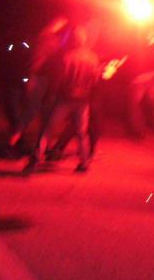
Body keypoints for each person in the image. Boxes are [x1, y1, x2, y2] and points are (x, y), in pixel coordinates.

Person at [25, 25, 100, 174]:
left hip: (65, 98)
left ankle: (36, 158)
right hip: (83, 100)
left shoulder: (67, 57)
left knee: (47, 129)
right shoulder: (93, 57)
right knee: (81, 132)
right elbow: (95, 79)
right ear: (84, 41)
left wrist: (52, 95)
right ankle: (84, 163)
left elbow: (60, 79)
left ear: (74, 41)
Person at [7, 16, 70, 153]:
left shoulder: (43, 37)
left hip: (40, 79)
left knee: (40, 114)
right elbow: (50, 57)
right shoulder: (48, 38)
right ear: (56, 24)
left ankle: (34, 146)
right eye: (61, 24)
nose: (62, 27)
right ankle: (15, 143)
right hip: (39, 80)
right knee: (35, 113)